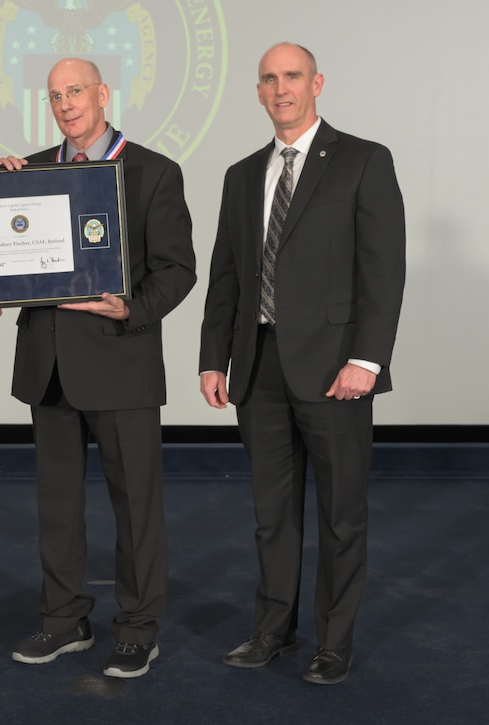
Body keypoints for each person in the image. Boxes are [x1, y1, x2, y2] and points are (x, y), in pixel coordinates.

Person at [198, 42, 405, 685]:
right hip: (257, 369)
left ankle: (333, 642)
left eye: (292, 77)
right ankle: (273, 629)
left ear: (317, 83)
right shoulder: (240, 174)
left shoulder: (364, 161)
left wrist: (367, 359)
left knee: (342, 515)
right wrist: (213, 359)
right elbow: (225, 277)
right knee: (272, 514)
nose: (280, 88)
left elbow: (383, 269)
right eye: (268, 79)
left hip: (334, 370)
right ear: (258, 92)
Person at [0, 58, 196, 679]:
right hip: (48, 365)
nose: (65, 103)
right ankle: (63, 619)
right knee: (57, 506)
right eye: (55, 95)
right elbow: (7, 256)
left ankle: (137, 628)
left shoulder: (155, 171)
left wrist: (131, 306)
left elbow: (178, 269)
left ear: (103, 94)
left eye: (76, 91)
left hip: (120, 361)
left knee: (136, 506)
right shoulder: (28, 171)